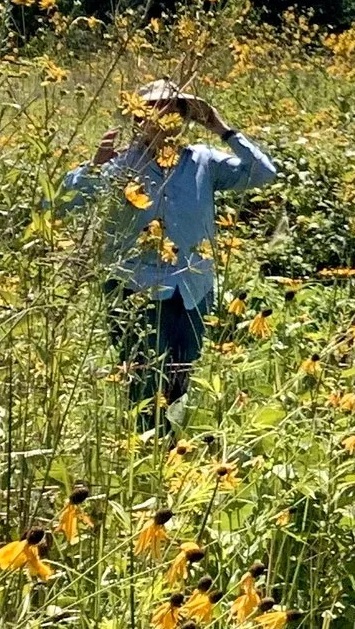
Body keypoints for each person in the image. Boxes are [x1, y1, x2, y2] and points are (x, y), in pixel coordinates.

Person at [64, 80, 277, 412]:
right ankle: (146, 446)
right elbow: (65, 203)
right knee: (144, 382)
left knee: (182, 377)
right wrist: (94, 166)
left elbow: (263, 173)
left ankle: (173, 449)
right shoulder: (120, 165)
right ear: (138, 118)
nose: (165, 117)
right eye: (154, 109)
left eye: (174, 110)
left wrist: (222, 129)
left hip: (193, 287)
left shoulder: (203, 161)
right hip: (136, 289)